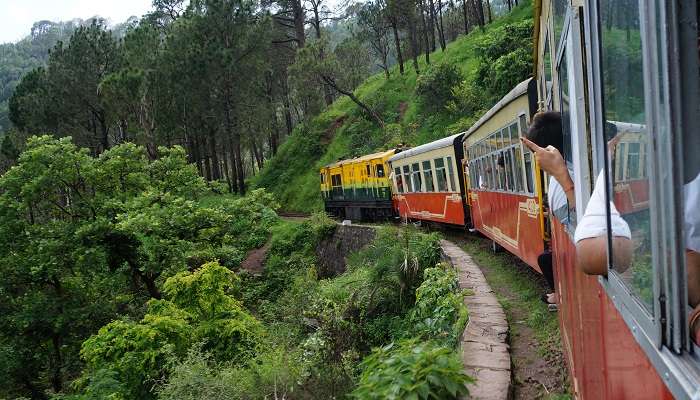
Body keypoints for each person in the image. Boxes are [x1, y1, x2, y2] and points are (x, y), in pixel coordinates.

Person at [520, 111, 575, 310]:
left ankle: (558, 295)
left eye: (536, 153)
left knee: (545, 258)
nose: (536, 159)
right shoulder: (566, 173)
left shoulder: (562, 185)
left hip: (576, 261)